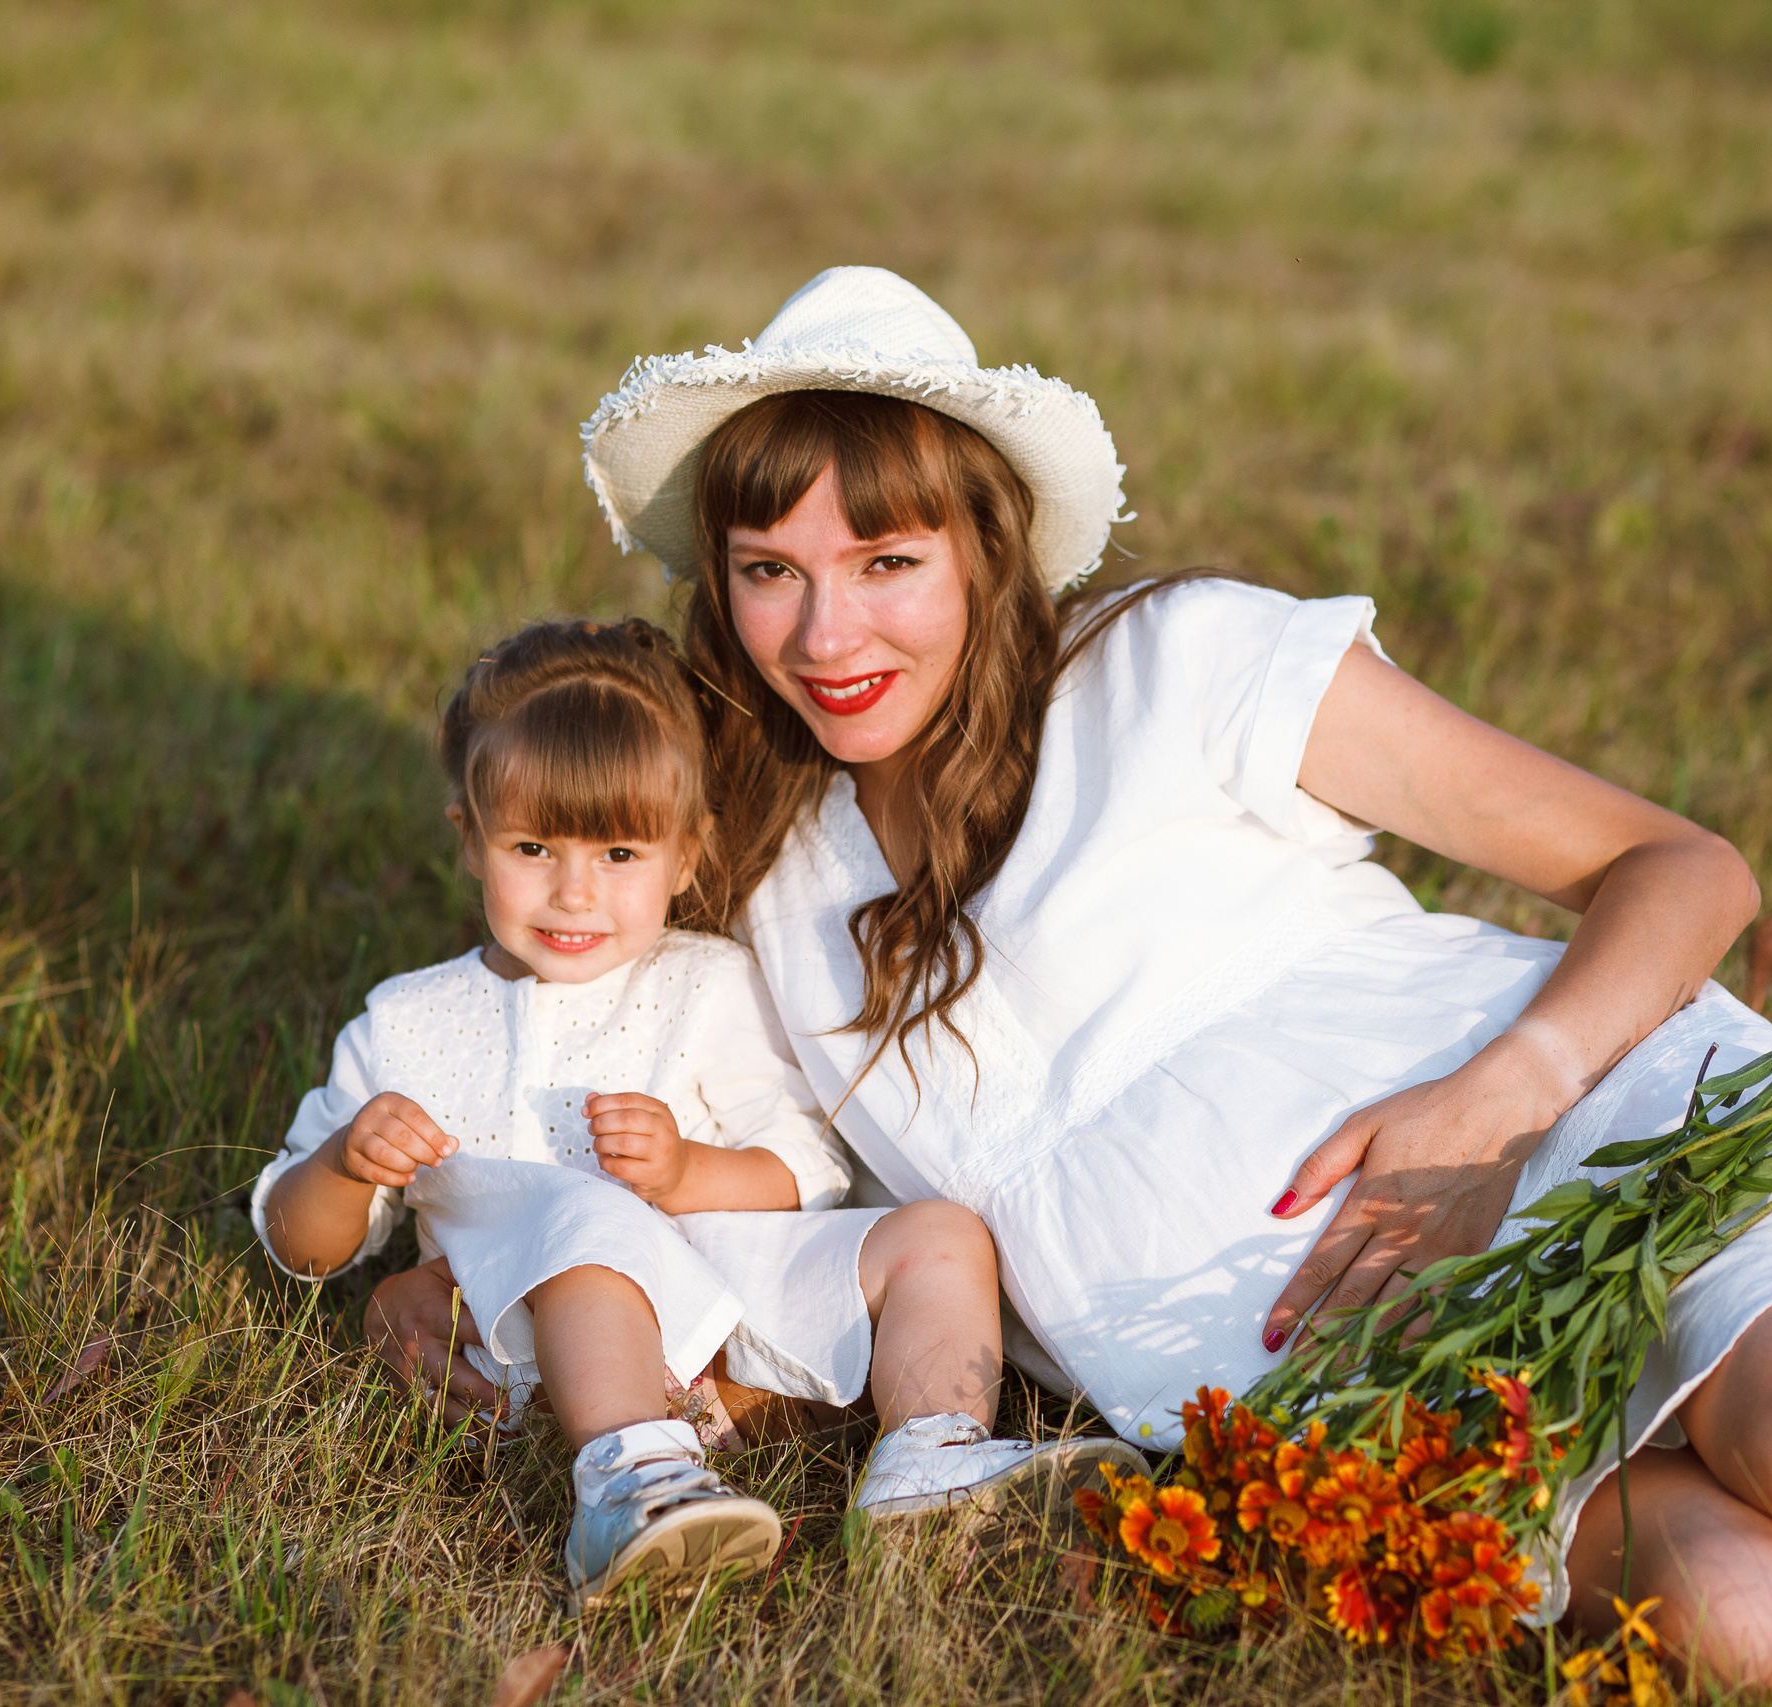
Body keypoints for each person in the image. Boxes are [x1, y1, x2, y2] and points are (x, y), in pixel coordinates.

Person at [367, 270, 1772, 1691]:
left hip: (1583, 1145)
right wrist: (487, 1274)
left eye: (885, 558)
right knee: (1750, 1620)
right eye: (769, 571)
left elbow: (1682, 866)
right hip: (1373, 1401)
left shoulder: (1183, 668)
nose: (827, 632)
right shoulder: (760, 877)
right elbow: (644, 1082)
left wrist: (1495, 1108)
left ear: (986, 546)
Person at [253, 617, 1144, 1606]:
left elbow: (805, 1169)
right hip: (539, 1345)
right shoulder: (409, 1022)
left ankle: (930, 1458)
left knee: (938, 1234)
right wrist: (342, 1161)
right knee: (585, 1229)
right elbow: (304, 1250)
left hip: (724, 1292)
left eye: (621, 852)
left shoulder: (713, 985)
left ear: (686, 857)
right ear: (469, 836)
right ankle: (632, 1480)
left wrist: (687, 1175)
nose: (574, 891)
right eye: (534, 847)